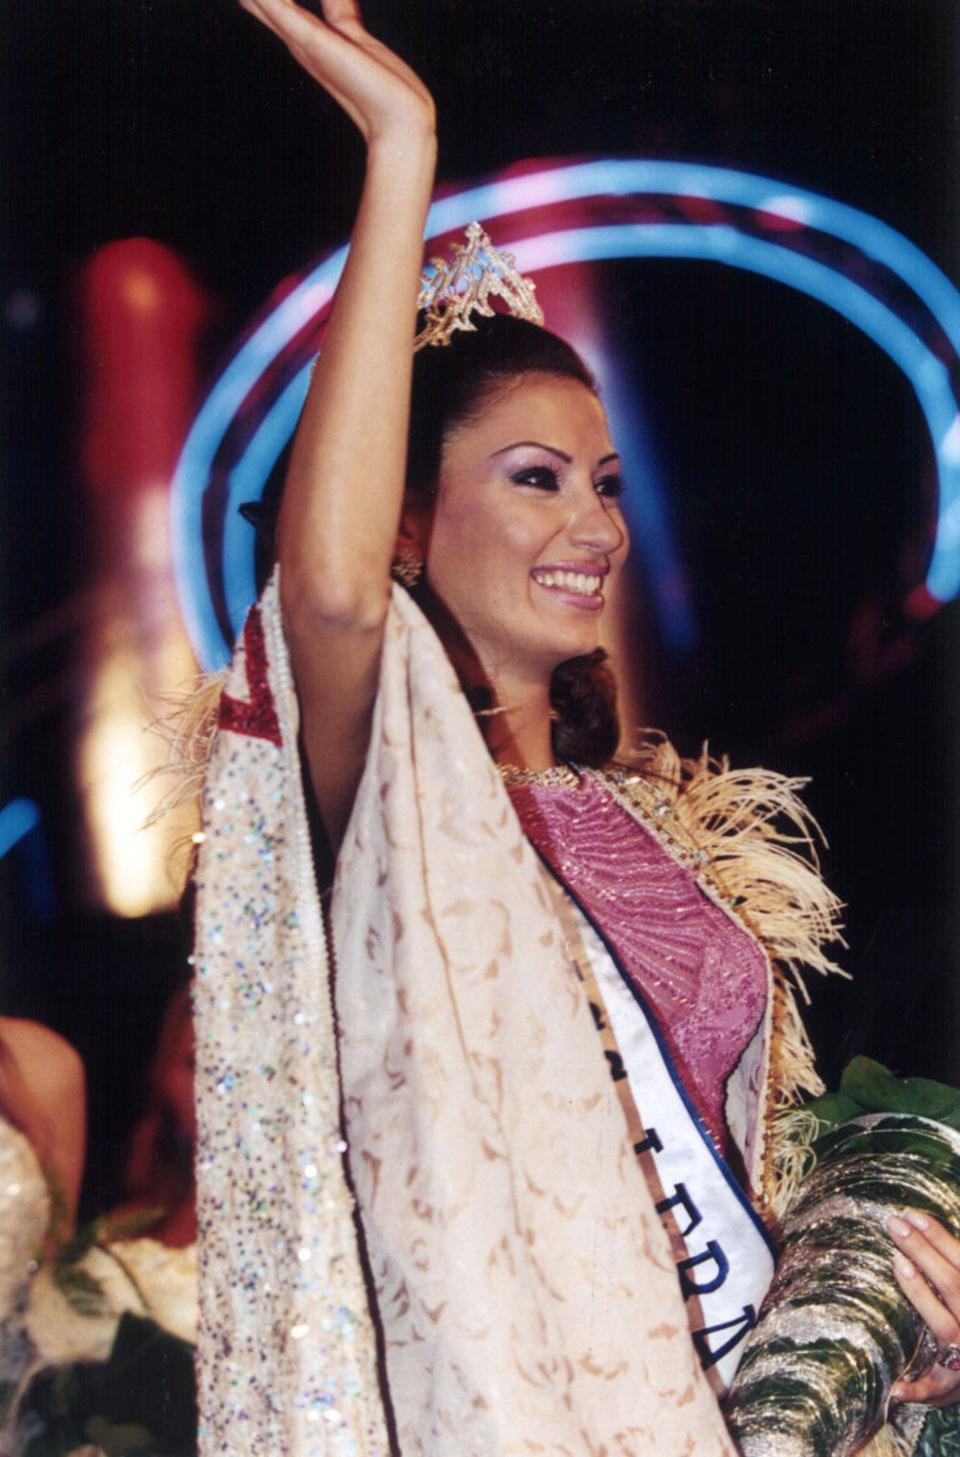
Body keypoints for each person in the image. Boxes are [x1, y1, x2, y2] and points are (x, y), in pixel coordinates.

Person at [190, 3, 960, 1453]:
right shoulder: (378, 810)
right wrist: (402, 147)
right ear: (407, 520)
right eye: (537, 478)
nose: (595, 524)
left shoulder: (682, 834)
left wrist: (891, 1313)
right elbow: (333, 605)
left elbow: (757, 1187)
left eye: (605, 483)